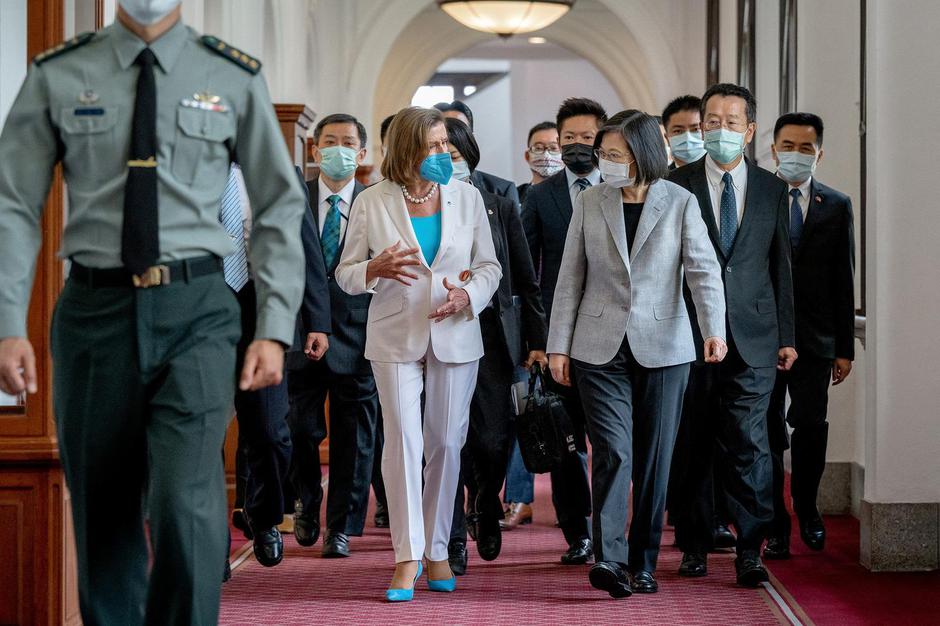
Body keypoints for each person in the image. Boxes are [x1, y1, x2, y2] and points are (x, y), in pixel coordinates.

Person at [0, 3, 305, 623]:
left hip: (197, 308)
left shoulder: (231, 75)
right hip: (94, 311)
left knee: (185, 502)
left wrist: (274, 326)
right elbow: (12, 204)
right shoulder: (60, 72)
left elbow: (276, 206)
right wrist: (7, 324)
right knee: (104, 506)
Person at [547, 112, 727, 598]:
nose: (606, 163)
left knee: (653, 458)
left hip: (665, 346)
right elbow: (570, 278)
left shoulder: (680, 202)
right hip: (597, 347)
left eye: (615, 155)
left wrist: (714, 329)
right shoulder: (591, 202)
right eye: (604, 155)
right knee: (613, 450)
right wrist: (557, 346)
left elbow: (703, 271)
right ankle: (611, 559)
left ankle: (643, 561)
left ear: (643, 154)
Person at [335, 106, 500, 601]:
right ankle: (407, 555)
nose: (441, 153)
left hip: (454, 329)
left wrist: (467, 296)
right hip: (394, 333)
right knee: (403, 441)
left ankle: (436, 550)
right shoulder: (372, 201)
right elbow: (345, 274)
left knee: (447, 443)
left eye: (444, 144)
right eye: (431, 145)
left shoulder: (467, 197)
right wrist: (373, 268)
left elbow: (488, 266)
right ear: (406, 148)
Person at [668, 83, 796, 587]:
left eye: (731, 121)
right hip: (691, 331)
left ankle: (750, 546)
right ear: (702, 128)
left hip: (755, 333)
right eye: (711, 122)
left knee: (749, 441)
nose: (720, 130)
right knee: (693, 439)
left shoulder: (771, 188)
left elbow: (779, 265)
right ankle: (696, 543)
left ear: (749, 130)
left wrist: (785, 333)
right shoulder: (676, 184)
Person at [443, 118, 549, 574]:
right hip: (438, 333)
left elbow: (525, 277)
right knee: (446, 438)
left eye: (454, 154)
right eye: (437, 154)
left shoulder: (498, 204)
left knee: (491, 437)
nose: (446, 163)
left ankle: (485, 503)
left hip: (491, 336)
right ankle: (449, 538)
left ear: (470, 156)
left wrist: (536, 341)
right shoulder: (413, 206)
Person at [287, 113, 383, 558]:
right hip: (299, 332)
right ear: (314, 149)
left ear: (362, 154)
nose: (339, 149)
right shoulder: (293, 198)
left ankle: (341, 526)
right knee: (299, 429)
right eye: (330, 141)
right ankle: (308, 498)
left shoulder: (377, 202)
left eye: (348, 142)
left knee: (355, 438)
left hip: (359, 334)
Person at [228, 164, 331, 569]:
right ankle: (213, 548)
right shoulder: (190, 160)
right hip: (203, 307)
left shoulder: (278, 171)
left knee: (270, 431)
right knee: (199, 435)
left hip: (264, 309)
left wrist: (317, 321)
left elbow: (306, 250)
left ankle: (266, 515)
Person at [763, 112, 855, 560]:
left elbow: (844, 279)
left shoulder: (836, 204)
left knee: (811, 426)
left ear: (819, 153)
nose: (795, 154)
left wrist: (843, 347)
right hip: (761, 336)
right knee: (765, 430)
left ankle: (807, 507)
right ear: (772, 148)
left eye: (805, 148)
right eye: (788, 145)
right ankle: (774, 522)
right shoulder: (755, 197)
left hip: (816, 338)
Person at [522, 96, 608, 565]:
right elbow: (527, 274)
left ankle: (612, 530)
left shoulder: (622, 189)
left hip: (615, 337)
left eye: (587, 137)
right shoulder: (542, 195)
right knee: (566, 439)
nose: (578, 145)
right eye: (569, 138)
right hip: (561, 340)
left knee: (612, 440)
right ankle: (578, 532)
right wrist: (537, 340)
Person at [663, 92, 735, 550]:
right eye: (681, 131)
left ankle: (721, 518)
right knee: (689, 433)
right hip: (679, 327)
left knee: (732, 434)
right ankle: (694, 525)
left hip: (734, 328)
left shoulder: (746, 183)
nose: (692, 138)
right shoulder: (669, 186)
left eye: (698, 128)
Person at [434, 100, 521, 209]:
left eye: (460, 129)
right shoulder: (419, 195)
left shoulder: (500, 191)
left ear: (471, 139)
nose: (453, 133)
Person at [517, 121, 563, 204]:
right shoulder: (514, 196)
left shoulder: (576, 195)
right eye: (538, 148)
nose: (546, 155)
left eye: (553, 148)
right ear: (527, 156)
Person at [662, 95, 706, 168]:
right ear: (667, 138)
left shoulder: (725, 176)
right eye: (678, 131)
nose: (688, 138)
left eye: (695, 129)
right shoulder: (660, 179)